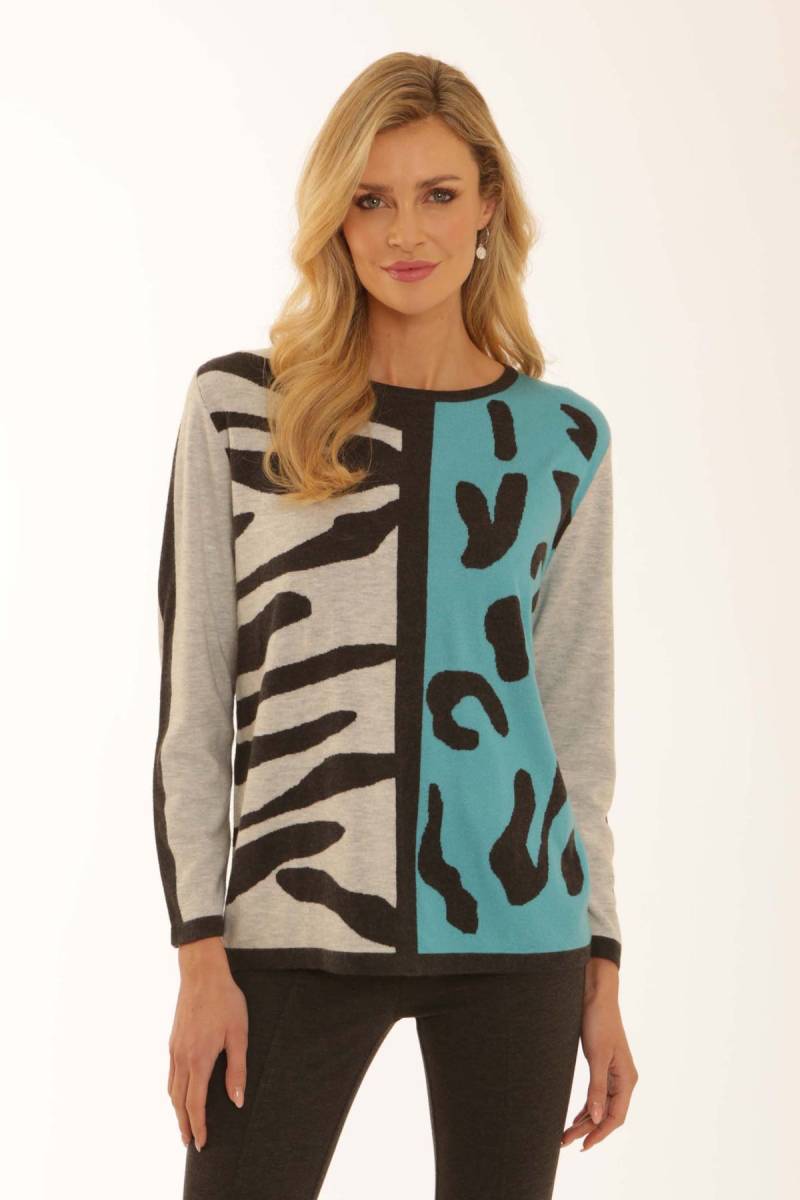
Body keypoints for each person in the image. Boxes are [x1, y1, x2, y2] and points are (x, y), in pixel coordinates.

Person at [153, 50, 639, 1200]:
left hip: (520, 935)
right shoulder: (241, 412)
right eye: (369, 199)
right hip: (287, 931)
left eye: (436, 194)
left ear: (487, 208)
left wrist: (602, 964)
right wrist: (199, 952)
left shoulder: (561, 439)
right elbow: (194, 710)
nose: (404, 231)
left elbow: (573, 728)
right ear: (334, 215)